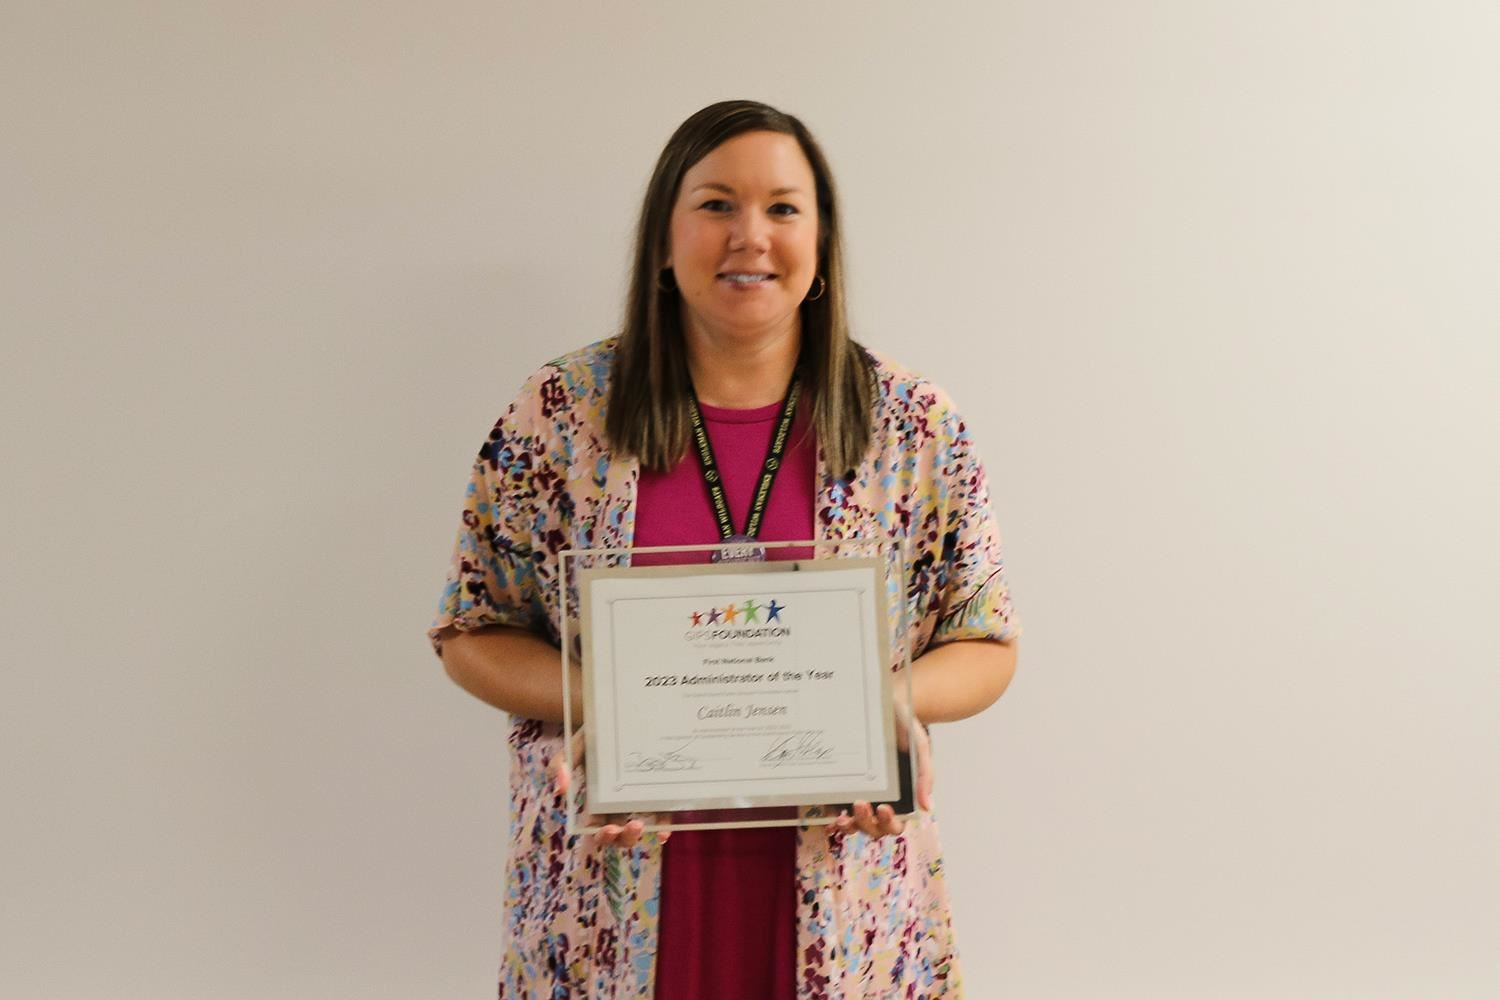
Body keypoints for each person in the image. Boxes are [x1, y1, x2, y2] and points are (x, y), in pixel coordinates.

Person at [430, 99, 1020, 999]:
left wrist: (882, 710)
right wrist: (615, 710)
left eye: (784, 207)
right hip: (613, 890)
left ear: (821, 245)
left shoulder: (911, 424)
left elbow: (985, 641)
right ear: (663, 241)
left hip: (841, 886)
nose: (752, 234)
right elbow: (472, 630)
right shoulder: (561, 414)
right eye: (716, 205)